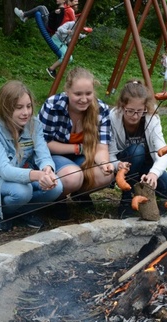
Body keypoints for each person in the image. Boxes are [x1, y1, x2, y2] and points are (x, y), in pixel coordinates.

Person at [0, 81, 63, 232]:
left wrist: (47, 170)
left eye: (29, 106)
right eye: (19, 108)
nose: (26, 112)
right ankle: (5, 213)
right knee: (22, 192)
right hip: (1, 181)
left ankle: (23, 210)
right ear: (5, 109)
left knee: (56, 186)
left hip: (27, 177)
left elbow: (43, 153)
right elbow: (5, 170)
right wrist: (37, 175)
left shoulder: (35, 124)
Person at [38, 67, 114, 216]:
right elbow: (43, 143)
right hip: (52, 156)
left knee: (106, 175)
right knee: (73, 176)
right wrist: (78, 149)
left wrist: (105, 163)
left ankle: (79, 194)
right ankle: (54, 199)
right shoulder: (52, 105)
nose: (84, 99)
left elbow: (101, 147)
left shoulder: (102, 109)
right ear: (67, 91)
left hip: (81, 157)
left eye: (88, 93)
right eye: (78, 94)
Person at [109, 80, 167, 218]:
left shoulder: (152, 118)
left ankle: (144, 194)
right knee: (137, 150)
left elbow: (164, 152)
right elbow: (109, 154)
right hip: (125, 163)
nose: (135, 116)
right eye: (130, 111)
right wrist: (118, 165)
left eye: (139, 111)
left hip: (146, 166)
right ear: (122, 106)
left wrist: (154, 173)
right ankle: (126, 197)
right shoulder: (112, 117)